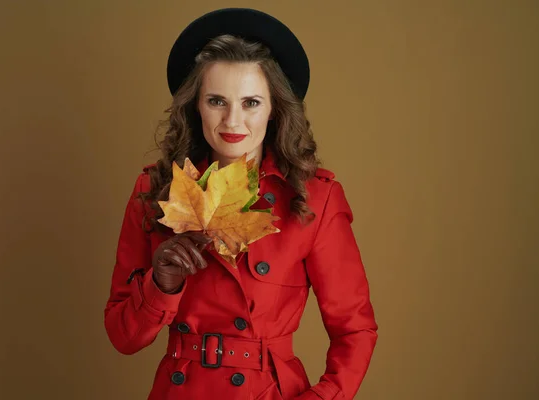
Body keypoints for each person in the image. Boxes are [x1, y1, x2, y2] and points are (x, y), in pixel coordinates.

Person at [104, 7, 378, 400]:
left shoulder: (313, 197)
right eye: (217, 100)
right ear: (195, 105)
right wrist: (160, 284)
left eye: (251, 102)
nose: (233, 121)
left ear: (274, 108)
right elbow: (122, 337)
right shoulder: (156, 190)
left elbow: (355, 329)